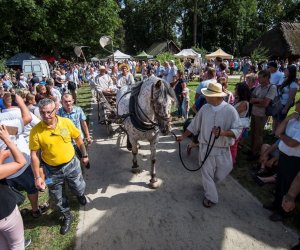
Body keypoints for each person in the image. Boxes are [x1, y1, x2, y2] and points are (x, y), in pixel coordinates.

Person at [176, 82, 242, 207]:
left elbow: (238, 130)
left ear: (216, 96)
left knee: (223, 171)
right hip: (205, 148)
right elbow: (194, 125)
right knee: (207, 174)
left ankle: (209, 184)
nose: (205, 97)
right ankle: (211, 198)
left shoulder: (230, 110)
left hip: (223, 149)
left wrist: (223, 133)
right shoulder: (205, 108)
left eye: (208, 95)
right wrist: (183, 136)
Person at [29, 98, 89, 235]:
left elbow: (78, 139)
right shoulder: (36, 131)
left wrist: (84, 155)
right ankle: (67, 216)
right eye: (42, 113)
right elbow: (34, 155)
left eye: (49, 112)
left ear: (55, 110)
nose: (46, 116)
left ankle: (80, 195)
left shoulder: (66, 123)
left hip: (71, 164)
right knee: (57, 197)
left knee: (78, 186)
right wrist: (37, 177)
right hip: (52, 170)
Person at [264, 100, 300, 222]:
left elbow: (292, 143)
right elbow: (278, 132)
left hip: (294, 160)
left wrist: (282, 136)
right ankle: (276, 204)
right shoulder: (293, 120)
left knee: (288, 186)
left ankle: (283, 212)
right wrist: (286, 119)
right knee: (279, 182)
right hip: (284, 156)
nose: (296, 109)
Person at [0, 125, 27, 250]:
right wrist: (8, 140)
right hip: (6, 213)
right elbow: (20, 162)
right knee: (16, 244)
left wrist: (1, 157)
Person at [249, 70, 277, 160]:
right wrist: (260, 100)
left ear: (266, 77)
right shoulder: (259, 87)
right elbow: (251, 98)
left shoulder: (272, 87)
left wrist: (255, 101)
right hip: (254, 113)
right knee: (253, 132)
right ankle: (252, 150)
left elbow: (265, 104)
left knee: (258, 134)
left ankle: (256, 153)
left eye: (260, 77)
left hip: (262, 114)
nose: (258, 79)